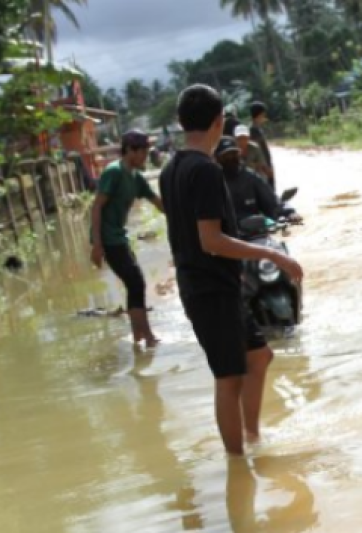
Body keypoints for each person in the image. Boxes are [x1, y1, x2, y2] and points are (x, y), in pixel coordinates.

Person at [159, 84, 304, 455]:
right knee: (228, 377)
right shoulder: (205, 171)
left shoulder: (171, 168)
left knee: (259, 356)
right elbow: (211, 240)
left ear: (180, 121)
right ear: (220, 121)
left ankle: (252, 437)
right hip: (209, 289)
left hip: (210, 284)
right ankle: (237, 463)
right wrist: (273, 257)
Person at [90, 129, 165, 347]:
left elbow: (157, 202)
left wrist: (181, 217)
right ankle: (147, 337)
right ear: (130, 150)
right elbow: (96, 207)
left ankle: (139, 336)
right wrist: (97, 244)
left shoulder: (136, 177)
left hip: (119, 237)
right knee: (136, 282)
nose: (145, 157)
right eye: (142, 152)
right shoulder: (113, 172)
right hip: (107, 238)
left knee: (135, 284)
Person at [215, 136, 284, 221]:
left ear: (239, 155)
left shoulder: (251, 177)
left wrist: (288, 212)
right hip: (226, 231)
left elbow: (271, 202)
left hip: (255, 230)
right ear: (217, 159)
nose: (231, 158)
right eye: (226, 156)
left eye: (233, 154)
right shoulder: (213, 182)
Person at [249, 101, 276, 187]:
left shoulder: (258, 129)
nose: (264, 117)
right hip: (262, 171)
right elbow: (258, 153)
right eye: (263, 114)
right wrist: (266, 169)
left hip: (265, 168)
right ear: (260, 114)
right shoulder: (253, 131)